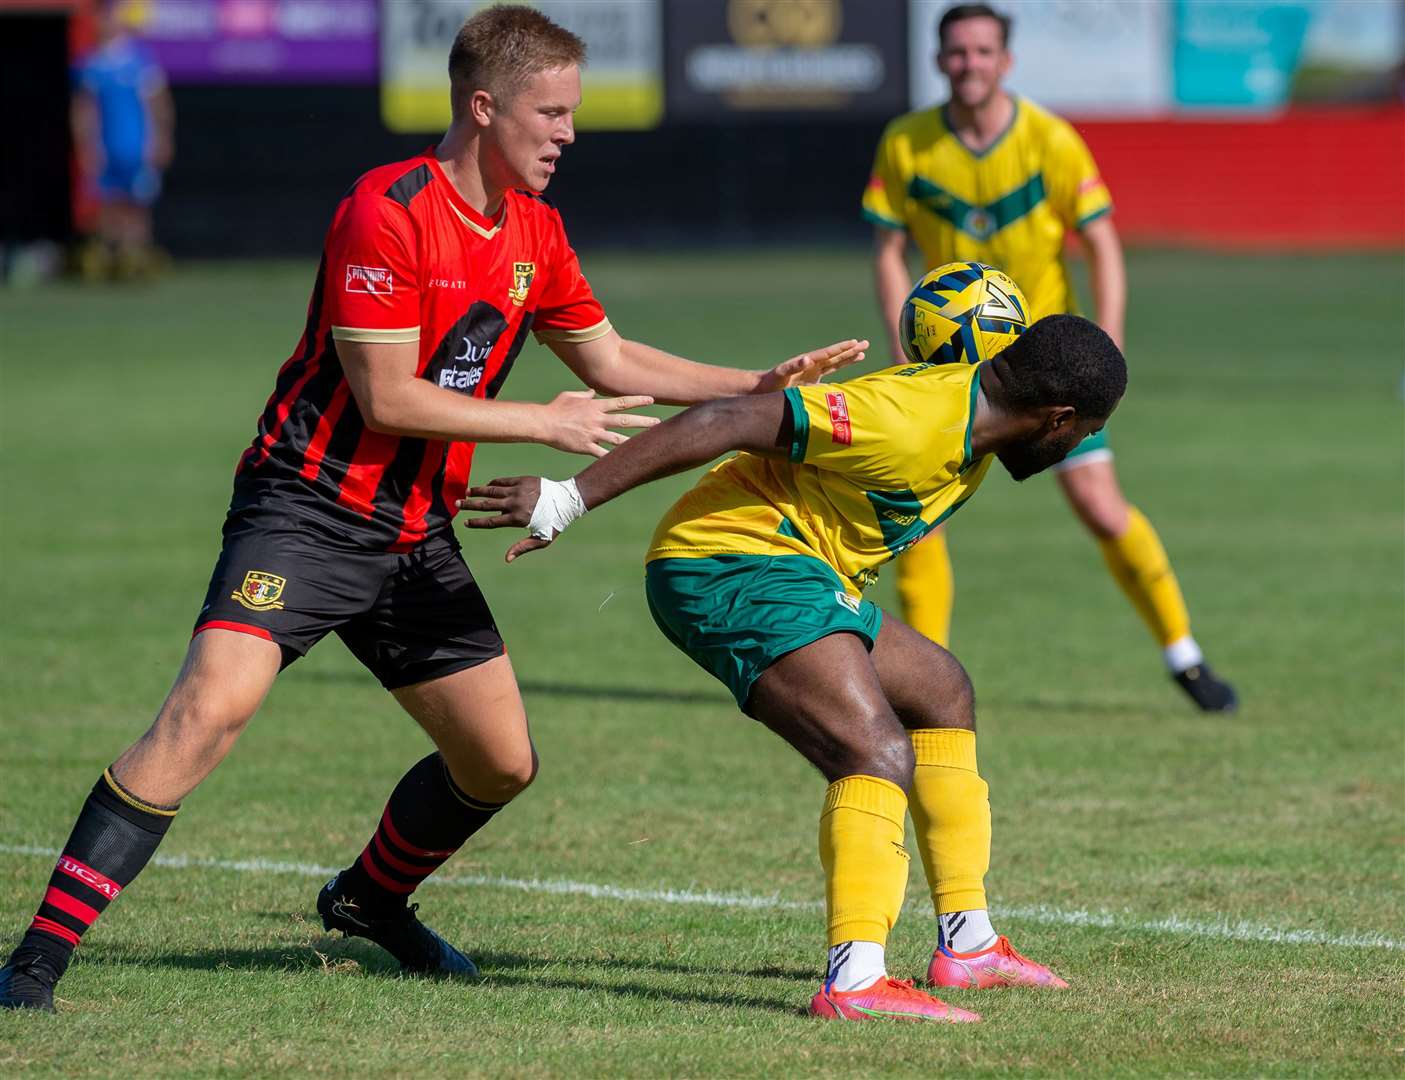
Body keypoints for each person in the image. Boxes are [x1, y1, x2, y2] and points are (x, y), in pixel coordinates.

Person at [0, 5, 864, 1012]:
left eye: (573, 112)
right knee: (209, 708)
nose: (568, 133)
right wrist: (542, 425)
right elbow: (388, 396)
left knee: (499, 762)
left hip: (414, 536)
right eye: (552, 112)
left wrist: (755, 382)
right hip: (307, 510)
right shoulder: (388, 209)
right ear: (484, 107)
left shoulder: (535, 230)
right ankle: (33, 969)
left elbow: (612, 360)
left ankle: (368, 900)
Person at [463, 314, 1128, 1022]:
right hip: (729, 564)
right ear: (1054, 417)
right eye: (1085, 428)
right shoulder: (910, 420)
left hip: (798, 571)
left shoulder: (976, 413)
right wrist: (567, 498)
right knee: (871, 752)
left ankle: (967, 946)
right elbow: (723, 420)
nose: (1082, 442)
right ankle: (855, 983)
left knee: (941, 689)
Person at [865, 3, 1236, 711]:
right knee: (917, 518)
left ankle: (1183, 656)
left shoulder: (1049, 140)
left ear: (1005, 61)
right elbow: (886, 249)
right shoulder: (906, 142)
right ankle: (918, 684)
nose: (967, 63)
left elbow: (1101, 241)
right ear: (939, 60)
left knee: (1100, 507)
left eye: (981, 52)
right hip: (949, 373)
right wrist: (897, 333)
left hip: (1043, 371)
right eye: (955, 52)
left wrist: (1109, 336)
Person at [71, 0, 175, 280]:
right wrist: (86, 146)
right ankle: (111, 260)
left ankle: (136, 259)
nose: (106, 22)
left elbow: (159, 104)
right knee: (108, 205)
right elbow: (84, 110)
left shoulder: (140, 60)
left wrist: (162, 139)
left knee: (137, 205)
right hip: (106, 149)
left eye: (111, 16)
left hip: (137, 148)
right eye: (101, 17)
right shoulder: (90, 64)